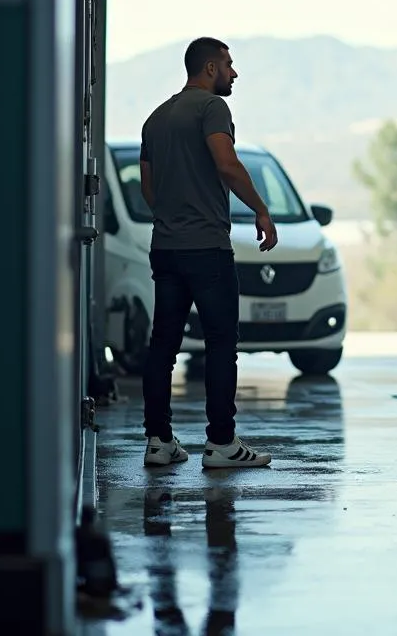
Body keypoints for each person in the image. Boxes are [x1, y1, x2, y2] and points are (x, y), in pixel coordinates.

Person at [138, 36, 279, 469]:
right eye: (229, 65)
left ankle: (159, 442)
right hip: (207, 249)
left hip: (166, 248)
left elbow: (149, 189)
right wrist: (260, 209)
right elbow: (226, 162)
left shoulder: (155, 119)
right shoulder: (212, 108)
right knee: (220, 344)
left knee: (164, 345)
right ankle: (221, 443)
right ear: (210, 68)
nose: (234, 73)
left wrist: (175, 216)